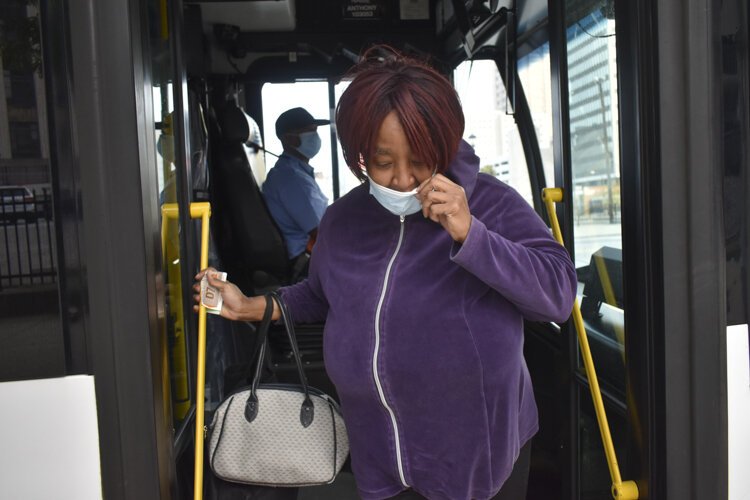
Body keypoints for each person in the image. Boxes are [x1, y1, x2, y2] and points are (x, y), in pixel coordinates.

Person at [195, 46, 577, 500]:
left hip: (475, 455)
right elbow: (320, 294)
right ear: (359, 157)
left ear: (444, 144)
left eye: (419, 160)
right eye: (382, 162)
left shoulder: (490, 203)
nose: (401, 179)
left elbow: (556, 294)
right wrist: (249, 307)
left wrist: (471, 234)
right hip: (377, 453)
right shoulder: (342, 220)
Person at [261, 107, 330, 279]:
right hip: (306, 263)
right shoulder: (291, 178)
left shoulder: (292, 171)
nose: (315, 137)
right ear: (289, 139)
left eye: (315, 131)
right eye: (309, 132)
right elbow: (322, 231)